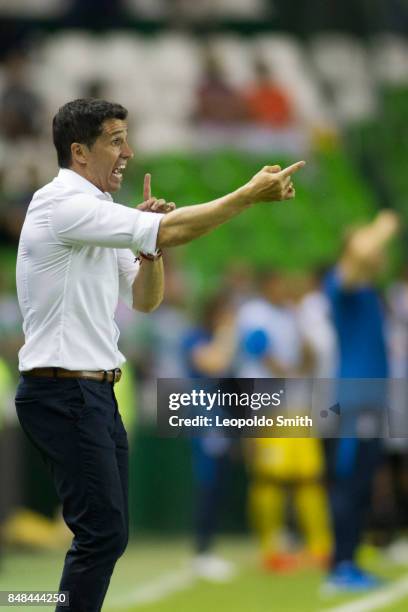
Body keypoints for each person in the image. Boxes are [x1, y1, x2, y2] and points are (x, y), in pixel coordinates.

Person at [14, 97, 305, 612]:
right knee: (102, 535)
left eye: (126, 137)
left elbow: (145, 300)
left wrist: (148, 249)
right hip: (63, 390)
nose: (128, 151)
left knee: (108, 535)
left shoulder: (99, 214)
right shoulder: (63, 203)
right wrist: (248, 195)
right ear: (79, 152)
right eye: (115, 140)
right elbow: (173, 228)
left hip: (93, 393)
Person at [323, 210, 399, 592]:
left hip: (373, 402)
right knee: (349, 484)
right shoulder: (341, 284)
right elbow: (359, 255)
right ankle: (340, 567)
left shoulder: (369, 290)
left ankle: (351, 561)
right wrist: (381, 227)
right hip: (352, 403)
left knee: (364, 483)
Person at [237, 271, 332, 572]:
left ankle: (319, 546)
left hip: (297, 406)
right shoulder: (254, 313)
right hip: (266, 403)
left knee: (308, 476)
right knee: (270, 477)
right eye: (278, 284)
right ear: (267, 286)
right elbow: (258, 350)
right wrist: (287, 373)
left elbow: (310, 358)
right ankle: (272, 548)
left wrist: (302, 333)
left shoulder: (294, 315)